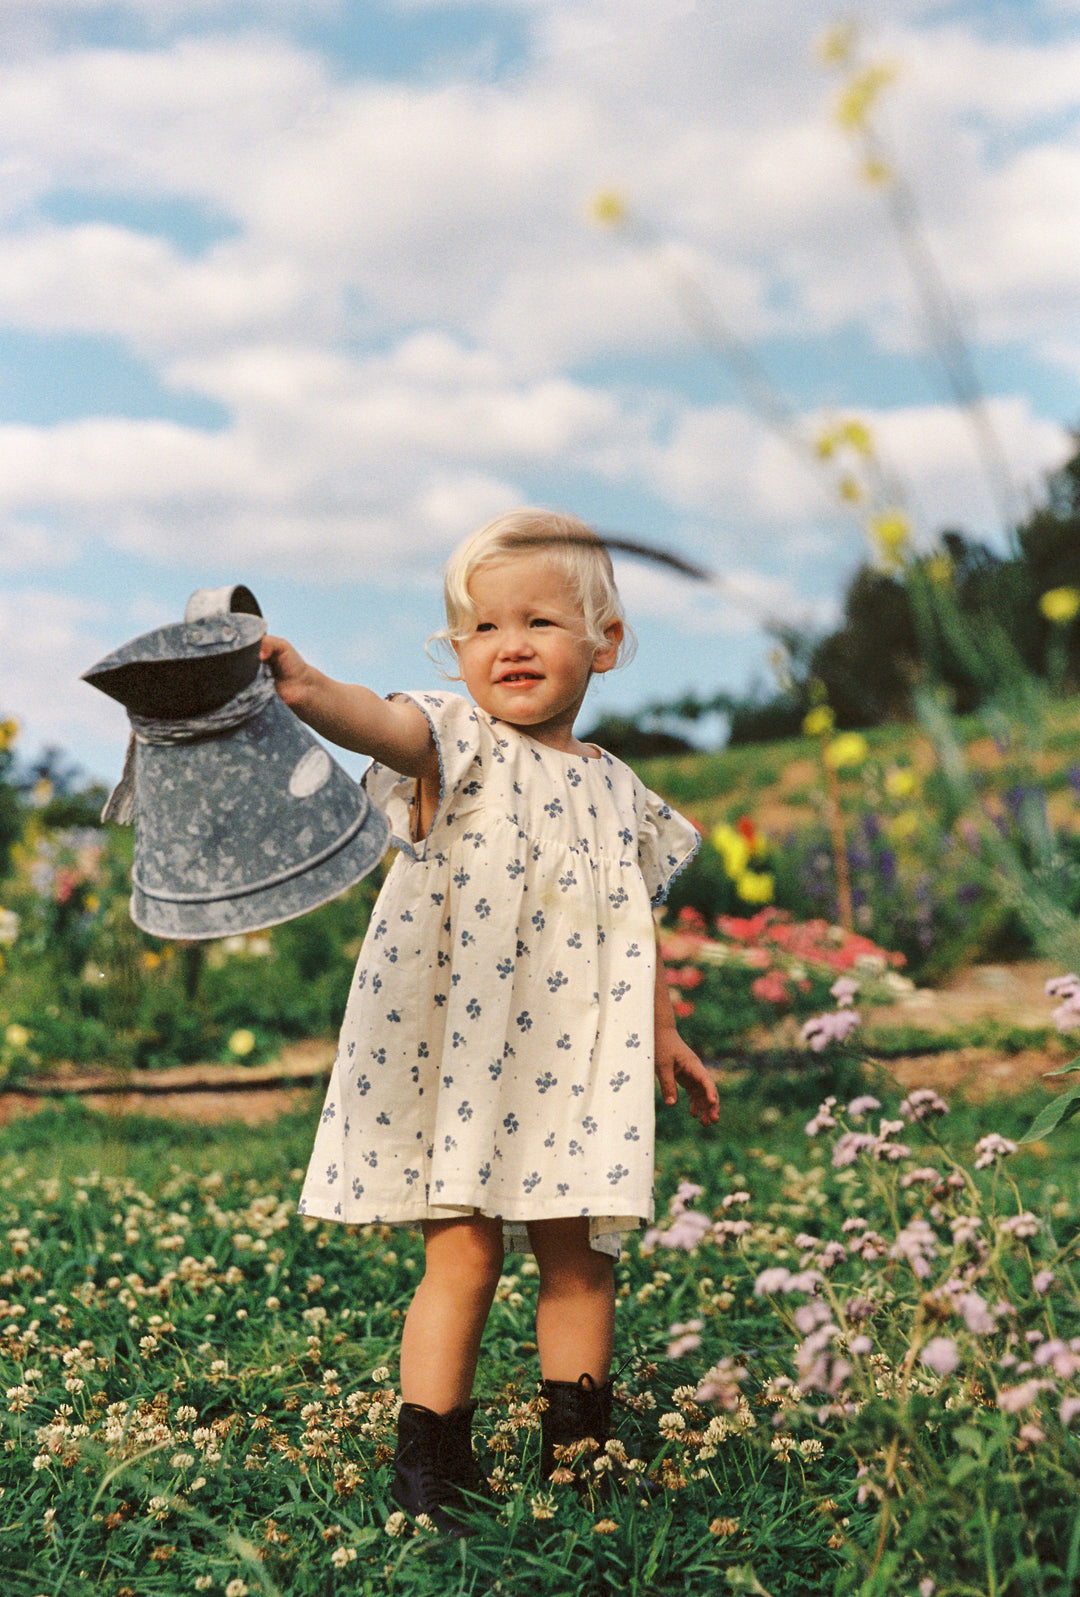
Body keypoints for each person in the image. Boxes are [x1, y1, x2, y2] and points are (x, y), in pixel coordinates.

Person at [261, 508, 720, 1532]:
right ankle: (432, 1468)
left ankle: (581, 1454)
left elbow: (631, 922)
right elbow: (377, 723)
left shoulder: (620, 791)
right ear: (456, 651)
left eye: (542, 622)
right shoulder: (452, 740)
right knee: (463, 1253)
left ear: (605, 641)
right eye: (482, 627)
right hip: (465, 1062)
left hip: (579, 1058)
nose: (510, 644)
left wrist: (666, 1029)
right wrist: (305, 690)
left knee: (582, 1256)